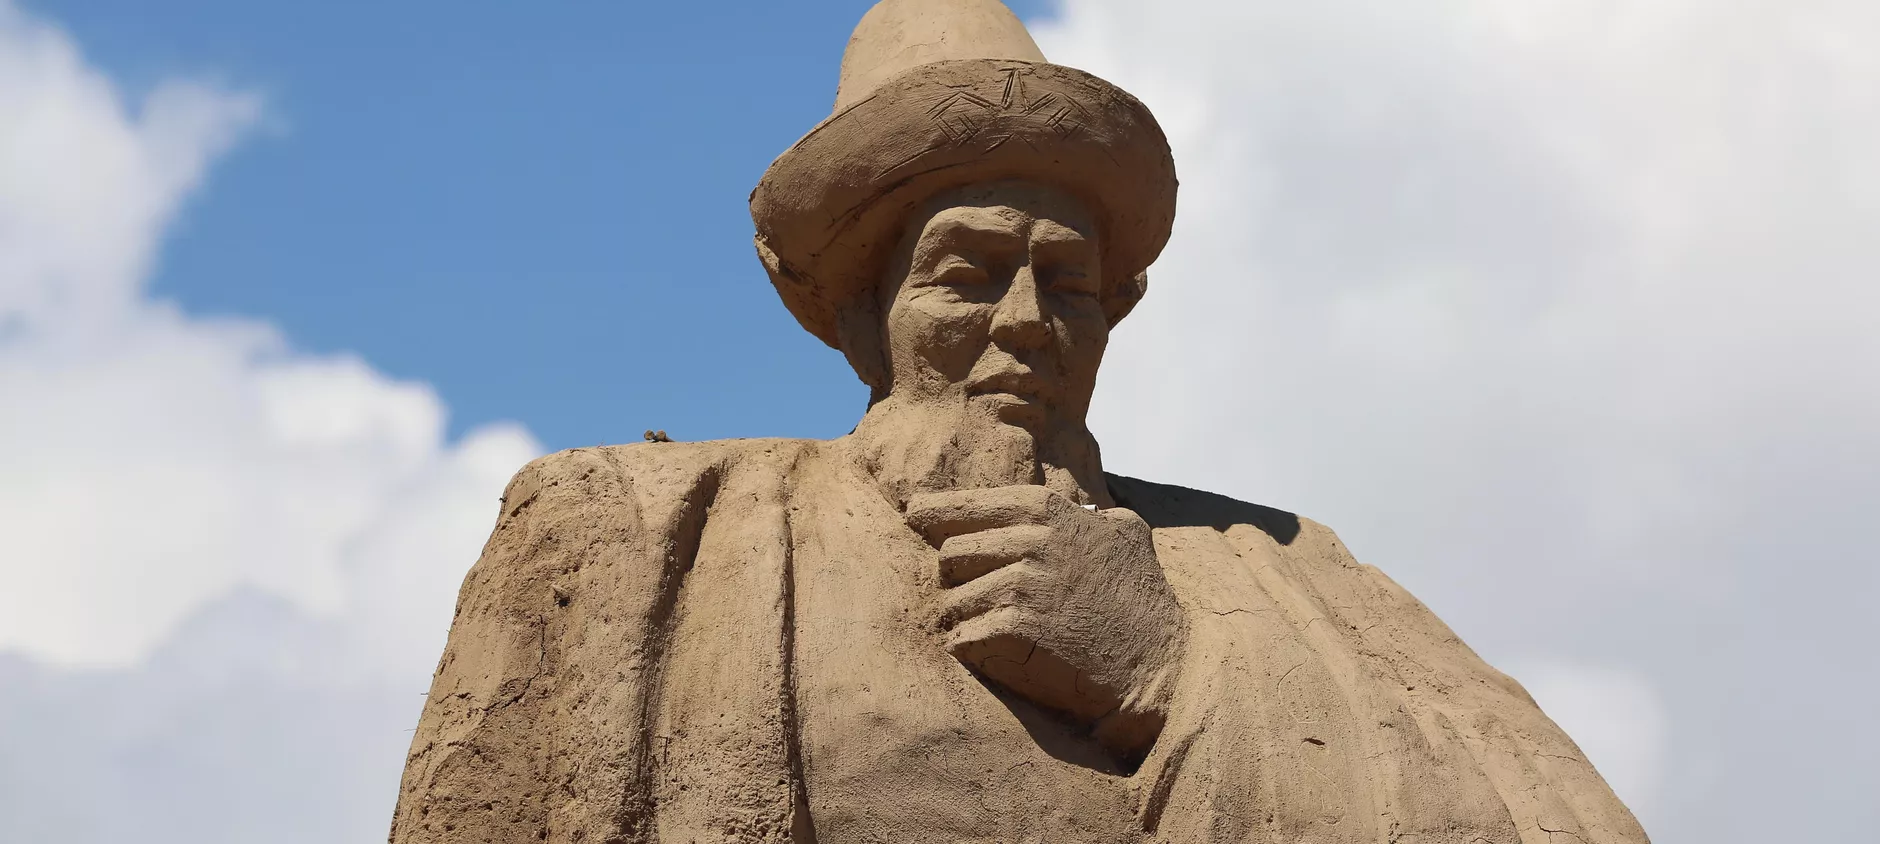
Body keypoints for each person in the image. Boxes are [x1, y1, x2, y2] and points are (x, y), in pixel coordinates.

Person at [392, 2, 1650, 842]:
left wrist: (1171, 669)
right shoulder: (648, 534)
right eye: (970, 271)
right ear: (864, 308)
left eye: (1070, 279)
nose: (1030, 320)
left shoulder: (1286, 571)